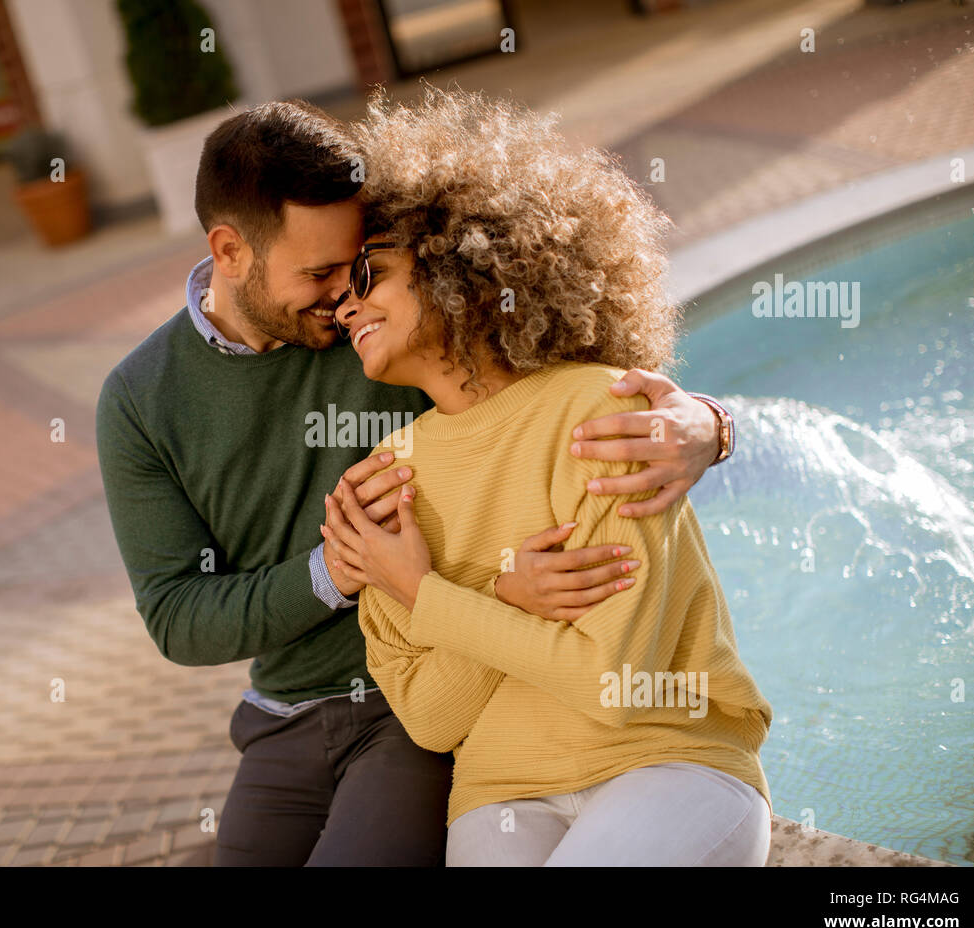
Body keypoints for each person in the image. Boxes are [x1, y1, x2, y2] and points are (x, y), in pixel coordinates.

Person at [95, 99, 735, 866]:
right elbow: (176, 614)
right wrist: (338, 570)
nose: (343, 297)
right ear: (230, 251)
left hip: (416, 711)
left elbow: (542, 368)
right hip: (291, 710)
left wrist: (711, 423)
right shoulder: (141, 399)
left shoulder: (398, 334)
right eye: (324, 272)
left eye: (361, 265)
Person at [324, 86, 773, 866]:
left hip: (665, 760)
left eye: (369, 273)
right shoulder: (384, 483)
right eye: (336, 295)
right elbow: (432, 720)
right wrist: (501, 597)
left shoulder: (603, 415)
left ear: (451, 261)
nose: (345, 308)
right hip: (499, 796)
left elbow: (611, 680)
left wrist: (428, 595)